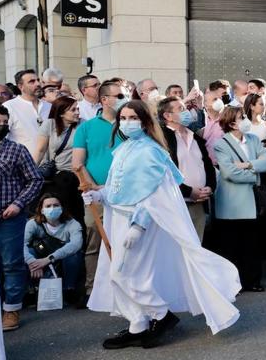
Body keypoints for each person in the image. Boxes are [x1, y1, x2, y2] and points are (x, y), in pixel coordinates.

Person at [83, 100, 240, 349]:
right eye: (123, 118)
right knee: (120, 274)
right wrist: (99, 195)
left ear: (145, 121)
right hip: (119, 219)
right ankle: (138, 324)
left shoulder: (151, 151)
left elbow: (154, 194)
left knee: (124, 273)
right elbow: (118, 186)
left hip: (141, 223)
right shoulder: (124, 149)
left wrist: (138, 226)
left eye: (132, 117)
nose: (126, 123)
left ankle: (161, 314)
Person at [72, 82, 126, 299]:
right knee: (96, 238)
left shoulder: (129, 126)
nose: (124, 98)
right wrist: (95, 187)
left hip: (125, 193)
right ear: (104, 99)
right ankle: (93, 288)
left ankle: (124, 285)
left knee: (124, 239)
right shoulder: (86, 127)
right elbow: (77, 162)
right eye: (119, 95)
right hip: (95, 193)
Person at [211, 106, 266, 293]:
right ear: (231, 123)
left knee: (251, 243)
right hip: (232, 203)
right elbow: (230, 172)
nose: (246, 120)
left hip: (252, 201)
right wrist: (255, 175)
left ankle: (252, 280)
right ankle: (233, 284)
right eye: (242, 117)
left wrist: (247, 164)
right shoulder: (221, 144)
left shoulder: (253, 139)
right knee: (231, 245)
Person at [0, 104, 43, 331]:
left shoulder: (17, 150)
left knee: (12, 263)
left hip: (9, 217)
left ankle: (11, 309)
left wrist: (18, 204)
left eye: (5, 123)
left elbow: (35, 180)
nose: (2, 127)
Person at [158, 98, 216, 242]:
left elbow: (208, 166)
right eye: (181, 109)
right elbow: (164, 172)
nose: (187, 112)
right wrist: (189, 191)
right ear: (167, 116)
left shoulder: (195, 137)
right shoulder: (161, 139)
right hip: (176, 202)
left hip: (199, 203)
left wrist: (210, 186)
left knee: (197, 247)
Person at [24, 194, 84, 305]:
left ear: (61, 208)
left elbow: (76, 244)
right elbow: (22, 244)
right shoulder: (33, 224)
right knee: (28, 252)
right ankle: (31, 291)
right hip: (39, 262)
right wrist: (32, 262)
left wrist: (49, 259)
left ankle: (68, 289)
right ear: (41, 210)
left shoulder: (72, 223)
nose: (52, 208)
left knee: (74, 254)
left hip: (61, 261)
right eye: (48, 206)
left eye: (56, 205)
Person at [32, 96, 83, 227]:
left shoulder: (83, 124)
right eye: (73, 110)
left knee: (75, 212)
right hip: (56, 176)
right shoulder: (49, 124)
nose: (77, 112)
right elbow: (40, 149)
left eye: (78, 109)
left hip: (76, 175)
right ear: (61, 113)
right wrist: (31, 173)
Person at [5, 69, 43, 158]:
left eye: (38, 80)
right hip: (20, 165)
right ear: (20, 86)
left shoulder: (49, 107)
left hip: (50, 166)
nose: (38, 84)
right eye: (32, 81)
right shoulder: (9, 106)